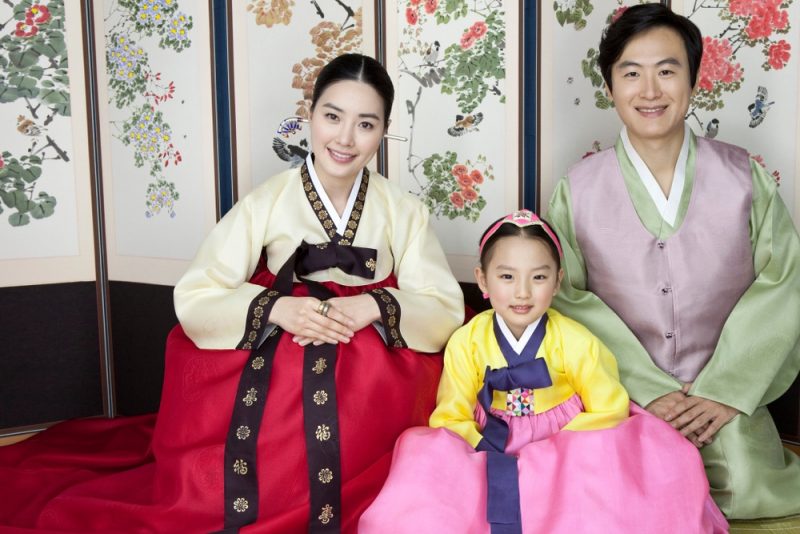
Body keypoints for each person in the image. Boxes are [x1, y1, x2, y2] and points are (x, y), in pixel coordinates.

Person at [0, 53, 464, 533]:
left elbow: (442, 303)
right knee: (276, 413)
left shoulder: (404, 211)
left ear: (384, 130)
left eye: (365, 124)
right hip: (286, 338)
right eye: (332, 117)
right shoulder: (268, 200)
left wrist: (370, 304)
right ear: (309, 116)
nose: (345, 138)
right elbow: (201, 290)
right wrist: (280, 308)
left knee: (370, 400)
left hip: (369, 351)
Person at [546, 3, 800, 522]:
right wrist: (649, 389)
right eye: (631, 73)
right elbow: (567, 296)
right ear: (610, 86)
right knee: (620, 499)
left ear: (692, 79)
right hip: (623, 399)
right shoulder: (578, 188)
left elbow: (782, 282)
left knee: (746, 490)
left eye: (667, 70)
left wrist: (726, 390)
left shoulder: (743, 176)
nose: (650, 90)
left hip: (726, 400)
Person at [359, 210, 727, 534]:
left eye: (538, 277)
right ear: (483, 281)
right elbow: (451, 412)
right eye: (506, 277)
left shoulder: (575, 339)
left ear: (557, 280)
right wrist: (480, 448)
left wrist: (557, 448)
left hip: (565, 443)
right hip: (490, 439)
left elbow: (609, 406)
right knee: (422, 459)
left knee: (627, 481)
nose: (522, 292)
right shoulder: (467, 341)